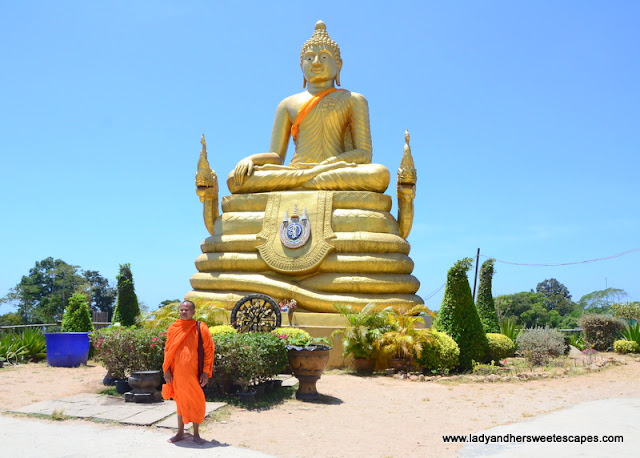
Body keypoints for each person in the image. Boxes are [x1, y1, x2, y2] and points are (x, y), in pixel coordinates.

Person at [227, 20, 390, 194]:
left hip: (334, 170)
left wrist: (328, 165)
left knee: (379, 174)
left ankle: (301, 183)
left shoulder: (353, 99)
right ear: (301, 65)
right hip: (297, 170)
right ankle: (306, 180)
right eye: (309, 57)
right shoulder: (287, 104)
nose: (316, 62)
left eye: (325, 57)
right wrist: (250, 159)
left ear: (339, 65)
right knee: (235, 179)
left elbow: (364, 154)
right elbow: (277, 157)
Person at [162, 300, 214, 445]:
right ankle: (180, 433)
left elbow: (208, 351)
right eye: (181, 310)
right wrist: (166, 370)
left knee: (196, 401)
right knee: (179, 402)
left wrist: (205, 372)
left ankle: (196, 434)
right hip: (177, 373)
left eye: (187, 310)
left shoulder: (200, 328)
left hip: (194, 373)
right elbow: (168, 351)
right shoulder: (174, 328)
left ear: (193, 312)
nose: (183, 312)